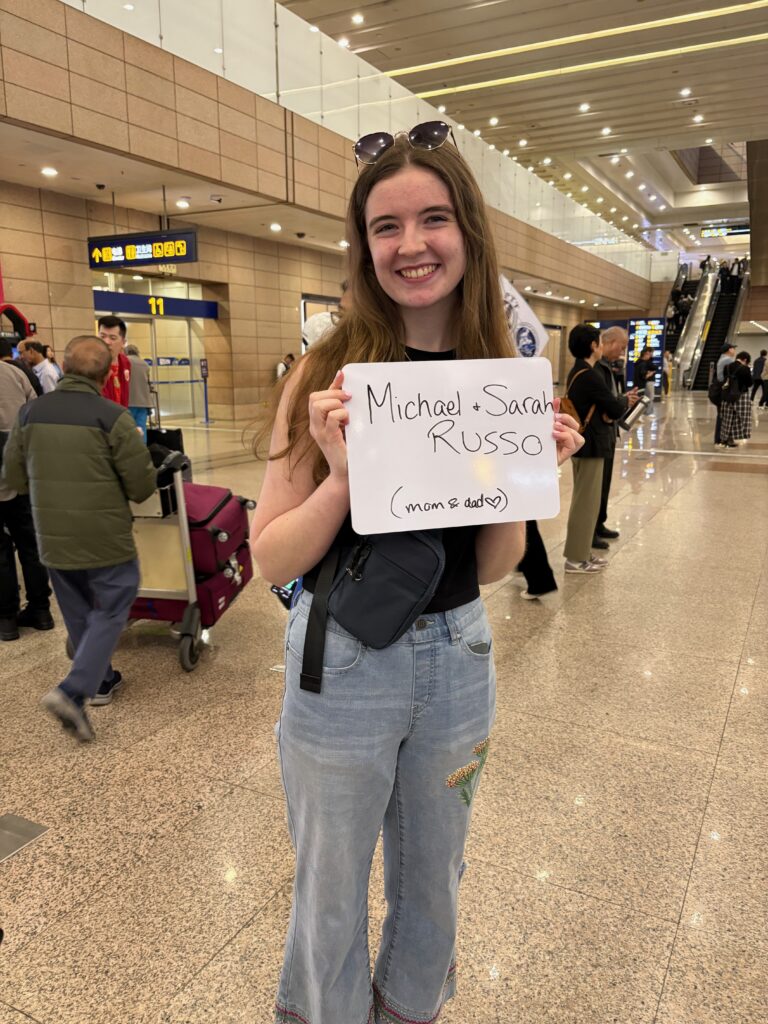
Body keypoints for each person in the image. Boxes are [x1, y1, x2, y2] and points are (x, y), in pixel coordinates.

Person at [249, 127, 583, 1024]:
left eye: (434, 218)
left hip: (459, 656)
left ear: (468, 231)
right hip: (342, 659)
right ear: (363, 246)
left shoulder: (498, 378)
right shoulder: (328, 375)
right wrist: (341, 479)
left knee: (437, 876)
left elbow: (495, 566)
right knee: (329, 883)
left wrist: (530, 481)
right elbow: (270, 556)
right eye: (385, 226)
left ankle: (410, 1010)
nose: (411, 245)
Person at [2, 335, 156, 741]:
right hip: (105, 537)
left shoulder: (29, 413)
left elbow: (13, 476)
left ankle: (100, 680)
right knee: (113, 603)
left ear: (64, 367)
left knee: (78, 612)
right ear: (106, 375)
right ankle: (73, 690)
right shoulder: (113, 417)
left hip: (52, 537)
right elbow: (142, 486)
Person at [563, 324, 634, 574]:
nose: (602, 346)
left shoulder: (578, 371)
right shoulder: (589, 374)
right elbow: (614, 407)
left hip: (585, 444)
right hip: (591, 446)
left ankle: (583, 552)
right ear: (593, 346)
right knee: (586, 503)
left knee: (588, 501)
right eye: (600, 343)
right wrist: (622, 401)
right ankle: (575, 559)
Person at [0, 361, 53, 641]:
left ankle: (6, 618)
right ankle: (41, 610)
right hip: (20, 468)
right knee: (29, 543)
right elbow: (36, 413)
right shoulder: (15, 372)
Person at [592, 326, 637, 551]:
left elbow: (609, 398)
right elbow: (603, 402)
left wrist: (621, 398)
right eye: (622, 346)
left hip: (607, 434)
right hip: (596, 435)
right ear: (609, 342)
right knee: (594, 487)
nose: (623, 351)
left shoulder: (607, 367)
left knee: (604, 483)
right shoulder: (596, 368)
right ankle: (590, 529)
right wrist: (621, 402)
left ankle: (599, 523)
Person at [720, 351, 753, 448]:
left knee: (727, 417)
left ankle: (725, 438)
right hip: (741, 396)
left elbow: (724, 379)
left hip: (727, 395)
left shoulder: (727, 367)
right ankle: (733, 437)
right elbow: (750, 383)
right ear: (745, 360)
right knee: (740, 418)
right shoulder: (745, 369)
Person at [97, 315, 131, 407]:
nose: (106, 342)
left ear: (123, 342)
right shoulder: (92, 363)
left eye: (112, 338)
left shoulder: (125, 362)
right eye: (102, 336)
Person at [125, 343, 153, 441]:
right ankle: (142, 448)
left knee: (128, 428)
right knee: (141, 428)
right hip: (143, 402)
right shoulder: (145, 364)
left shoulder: (125, 361)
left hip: (129, 401)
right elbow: (148, 382)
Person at [714, 342, 736, 446]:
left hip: (721, 389)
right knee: (726, 415)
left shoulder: (722, 359)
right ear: (729, 350)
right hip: (726, 390)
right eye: (733, 348)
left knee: (721, 414)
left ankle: (719, 438)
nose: (734, 350)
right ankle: (722, 439)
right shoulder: (728, 360)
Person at [633, 347, 657, 413]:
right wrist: (651, 373)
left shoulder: (638, 362)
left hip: (637, 383)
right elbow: (643, 376)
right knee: (647, 398)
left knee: (640, 399)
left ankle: (644, 413)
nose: (650, 356)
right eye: (649, 354)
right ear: (645, 354)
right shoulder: (643, 364)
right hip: (641, 384)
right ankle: (647, 413)